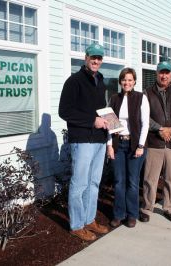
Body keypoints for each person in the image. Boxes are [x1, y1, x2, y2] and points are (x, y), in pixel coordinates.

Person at [58, 43, 109, 241]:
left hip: (99, 140)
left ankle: (89, 219)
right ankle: (77, 225)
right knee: (79, 183)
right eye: (92, 57)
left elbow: (100, 109)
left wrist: (109, 122)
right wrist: (92, 121)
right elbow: (65, 111)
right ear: (85, 58)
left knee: (93, 182)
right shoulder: (74, 81)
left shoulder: (101, 80)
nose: (96, 61)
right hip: (82, 140)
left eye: (99, 58)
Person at [140, 61, 171, 223]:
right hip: (154, 142)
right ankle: (147, 208)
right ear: (156, 74)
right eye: (161, 72)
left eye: (167, 72)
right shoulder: (146, 93)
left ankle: (169, 208)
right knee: (150, 179)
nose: (164, 75)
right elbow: (145, 117)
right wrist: (160, 129)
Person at [107, 68, 150, 228]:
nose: (127, 82)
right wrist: (109, 145)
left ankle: (132, 214)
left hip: (135, 145)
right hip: (118, 144)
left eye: (130, 80)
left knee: (132, 182)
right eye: (124, 80)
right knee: (119, 182)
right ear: (120, 82)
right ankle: (119, 214)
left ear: (134, 82)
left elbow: (145, 123)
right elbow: (109, 124)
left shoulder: (141, 98)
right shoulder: (113, 99)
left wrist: (140, 145)